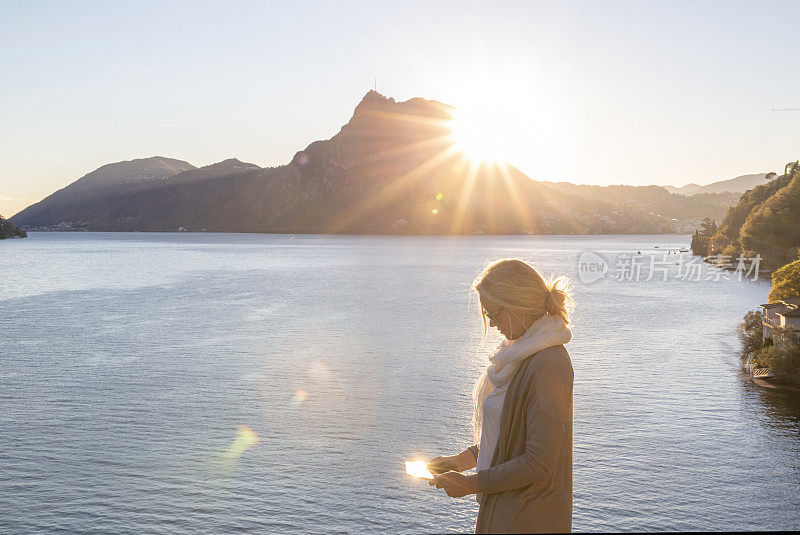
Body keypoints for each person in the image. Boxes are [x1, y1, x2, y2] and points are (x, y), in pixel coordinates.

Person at [427, 258, 574, 534]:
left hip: (529, 520)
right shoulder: (518, 355)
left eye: (494, 313)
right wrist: (461, 461)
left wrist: (471, 484)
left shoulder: (548, 363)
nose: (492, 324)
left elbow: (538, 462)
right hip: (505, 513)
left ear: (517, 304)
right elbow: (512, 439)